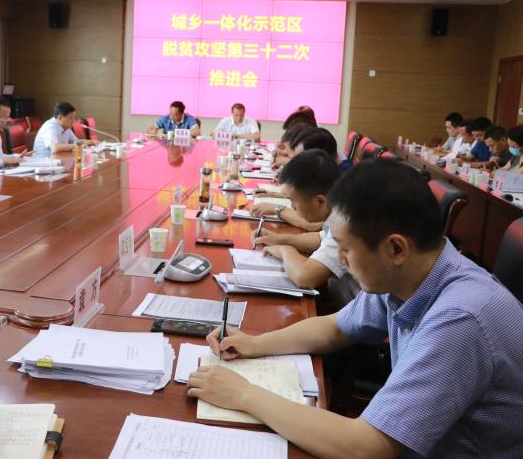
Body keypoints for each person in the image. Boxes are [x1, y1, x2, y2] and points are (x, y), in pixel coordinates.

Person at [189, 160, 523, 457]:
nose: (341, 260)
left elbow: (365, 447)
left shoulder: (460, 319)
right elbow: (336, 327)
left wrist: (243, 394)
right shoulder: (411, 273)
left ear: (396, 248)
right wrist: (254, 343)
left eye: (346, 249)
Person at [251, 150, 358, 302]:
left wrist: (284, 250)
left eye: (293, 201)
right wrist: (277, 239)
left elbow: (304, 277)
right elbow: (321, 239)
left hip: (341, 305)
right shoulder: (339, 207)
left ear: (320, 201)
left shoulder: (344, 223)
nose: (292, 207)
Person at [32, 102, 97, 153]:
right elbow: (55, 148)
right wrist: (77, 146)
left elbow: (77, 142)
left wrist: (92, 142)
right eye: (70, 118)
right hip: (42, 163)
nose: (73, 120)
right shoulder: (50, 127)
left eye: (74, 117)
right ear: (60, 118)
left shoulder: (66, 127)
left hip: (56, 161)